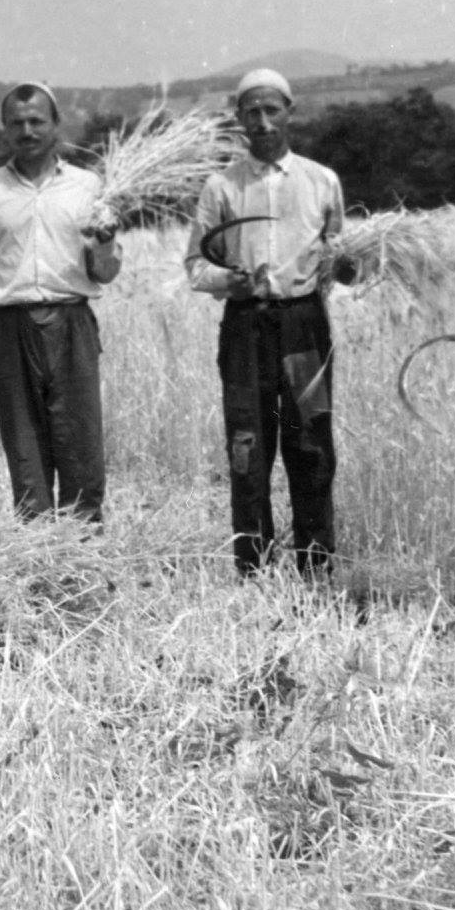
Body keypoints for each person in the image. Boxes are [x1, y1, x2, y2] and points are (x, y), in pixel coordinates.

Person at [185, 69, 347, 579]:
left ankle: (315, 568)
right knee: (247, 448)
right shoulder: (221, 187)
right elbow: (195, 265)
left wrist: (342, 269)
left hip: (304, 327)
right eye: (251, 112)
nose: (262, 121)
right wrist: (228, 281)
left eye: (271, 109)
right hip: (245, 330)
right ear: (238, 120)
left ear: (289, 112)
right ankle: (253, 572)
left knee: (312, 442)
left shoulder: (322, 182)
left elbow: (338, 256)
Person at [0, 83, 121, 522]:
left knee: (81, 446)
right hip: (10, 330)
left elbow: (104, 272)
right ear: (5, 129)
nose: (27, 131)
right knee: (25, 451)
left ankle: (82, 557)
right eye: (17, 123)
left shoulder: (87, 186)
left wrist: (106, 244)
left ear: (55, 126)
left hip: (72, 324)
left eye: (36, 121)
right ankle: (37, 563)